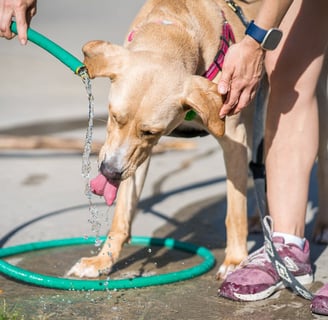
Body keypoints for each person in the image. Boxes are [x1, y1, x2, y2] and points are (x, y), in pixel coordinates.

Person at [1, 0, 328, 315]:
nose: (113, 160)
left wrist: (234, 250)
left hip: (261, 23)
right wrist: (110, 250)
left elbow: (233, 142)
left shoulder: (202, 84)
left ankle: (280, 228)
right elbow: (128, 143)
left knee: (303, 97)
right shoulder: (126, 58)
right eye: (116, 118)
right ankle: (114, 244)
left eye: (147, 132)